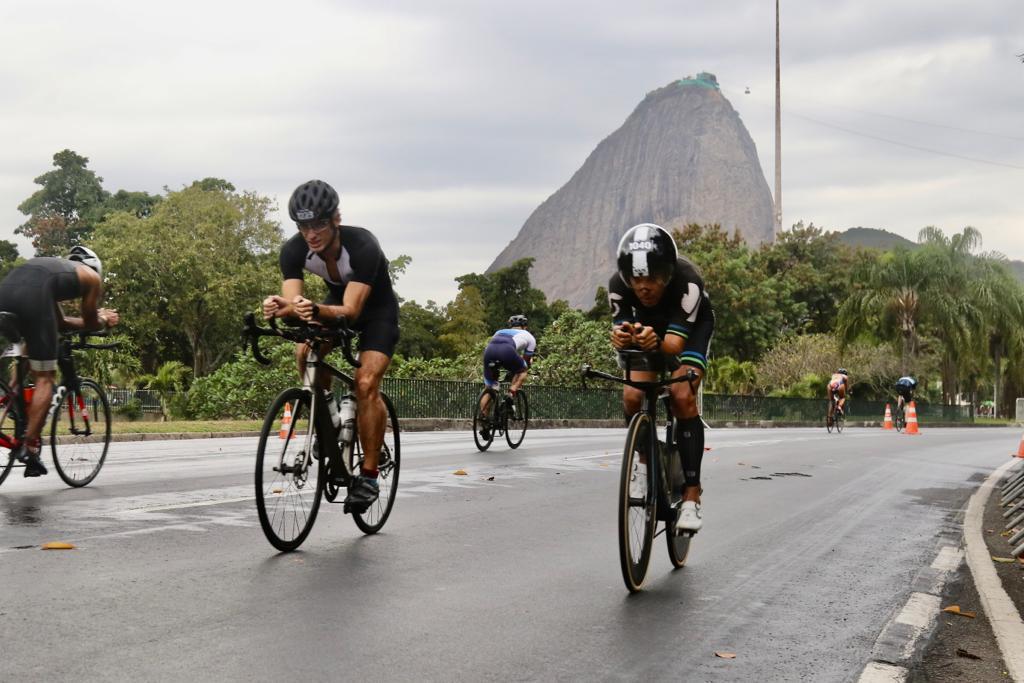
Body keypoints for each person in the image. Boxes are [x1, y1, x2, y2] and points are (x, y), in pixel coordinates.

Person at [262, 180, 399, 509]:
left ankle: (367, 477)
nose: (311, 233)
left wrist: (309, 309)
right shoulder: (293, 250)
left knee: (366, 383)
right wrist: (283, 307)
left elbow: (351, 311)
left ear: (336, 218)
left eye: (319, 223)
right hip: (332, 305)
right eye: (304, 225)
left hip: (376, 312)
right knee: (304, 351)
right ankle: (329, 417)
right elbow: (296, 302)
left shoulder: (363, 244)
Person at [607, 223, 715, 533]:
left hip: (689, 331)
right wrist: (621, 336)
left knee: (682, 395)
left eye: (652, 278)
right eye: (636, 279)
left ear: (667, 274)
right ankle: (642, 463)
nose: (643, 287)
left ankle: (692, 494)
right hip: (649, 332)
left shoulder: (688, 282)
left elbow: (673, 347)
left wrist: (656, 341)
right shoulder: (617, 284)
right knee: (632, 395)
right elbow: (622, 326)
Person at [0, 246, 119, 476]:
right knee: (46, 377)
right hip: (33, 299)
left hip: (5, 292)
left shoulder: (52, 270)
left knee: (29, 349)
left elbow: (61, 323)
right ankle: (30, 446)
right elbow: (90, 321)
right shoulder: (92, 278)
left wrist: (89, 320)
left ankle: (11, 400)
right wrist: (104, 318)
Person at [477, 315, 536, 439]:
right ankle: (511, 394)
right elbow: (526, 359)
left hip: (489, 351)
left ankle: (484, 420)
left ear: (511, 326)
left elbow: (495, 345)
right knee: (522, 371)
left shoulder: (499, 332)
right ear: (525, 326)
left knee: (491, 386)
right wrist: (525, 365)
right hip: (507, 351)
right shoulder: (529, 337)